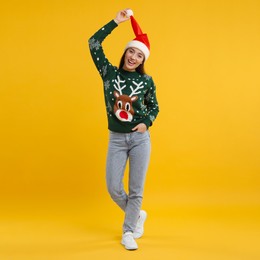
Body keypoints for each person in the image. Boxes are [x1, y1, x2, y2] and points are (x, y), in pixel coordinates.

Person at [88, 9, 159, 250]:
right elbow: (93, 43)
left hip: (140, 139)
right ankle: (137, 215)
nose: (134, 57)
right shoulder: (109, 73)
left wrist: (146, 122)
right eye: (131, 51)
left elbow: (155, 107)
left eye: (139, 55)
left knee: (136, 189)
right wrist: (117, 22)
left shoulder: (147, 81)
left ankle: (128, 231)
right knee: (114, 187)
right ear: (125, 52)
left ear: (142, 60)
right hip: (117, 139)